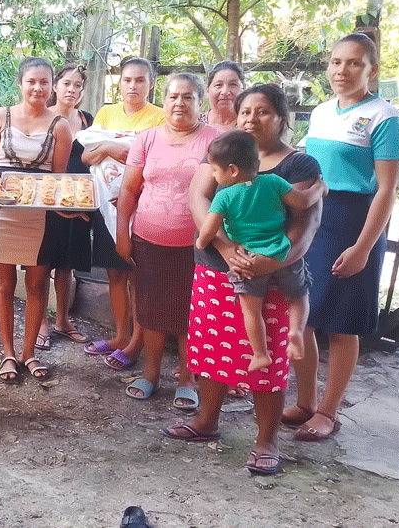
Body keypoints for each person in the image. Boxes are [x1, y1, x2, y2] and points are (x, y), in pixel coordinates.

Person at [163, 84, 323, 475]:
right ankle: (207, 421)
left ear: (283, 118)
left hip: (271, 277)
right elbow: (198, 198)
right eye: (246, 111)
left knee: (266, 361)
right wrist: (224, 246)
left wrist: (269, 263)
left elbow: (306, 222)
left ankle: (266, 441)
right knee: (212, 350)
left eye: (263, 111)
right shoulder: (226, 148)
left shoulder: (299, 165)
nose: (252, 119)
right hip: (215, 270)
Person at [286, 33, 399, 441]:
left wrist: (362, 247)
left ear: (372, 69)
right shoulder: (322, 112)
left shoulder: (385, 117)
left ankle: (328, 411)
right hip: (314, 220)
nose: (342, 70)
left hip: (354, 224)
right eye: (336, 61)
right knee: (302, 316)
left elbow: (387, 189)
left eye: (354, 62)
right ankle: (305, 401)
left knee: (341, 323)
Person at [115, 73, 217, 407]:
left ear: (200, 102)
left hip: (198, 245)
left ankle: (188, 378)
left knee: (192, 313)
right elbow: (128, 189)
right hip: (148, 239)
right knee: (150, 310)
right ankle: (151, 374)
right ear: (164, 101)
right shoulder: (146, 139)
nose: (179, 103)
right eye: (173, 97)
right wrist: (122, 234)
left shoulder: (216, 141)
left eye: (188, 97)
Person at [195, 130, 325, 371]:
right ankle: (296, 333)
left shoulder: (224, 197)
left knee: (252, 310)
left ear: (232, 170)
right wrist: (320, 188)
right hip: (282, 251)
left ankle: (260, 354)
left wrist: (201, 243)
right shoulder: (273, 182)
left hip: (249, 260)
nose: (213, 174)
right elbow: (304, 201)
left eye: (214, 170)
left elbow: (208, 231)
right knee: (298, 296)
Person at [0, 57, 72, 383]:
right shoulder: (1, 116)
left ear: (51, 86)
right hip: (2, 211)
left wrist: (69, 207)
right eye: (31, 81)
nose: (37, 88)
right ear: (20, 84)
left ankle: (28, 353)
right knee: (4, 285)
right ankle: (8, 353)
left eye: (44, 82)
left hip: (40, 217)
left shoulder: (60, 126)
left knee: (37, 285)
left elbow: (58, 179)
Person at [82, 57, 165, 368]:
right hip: (108, 205)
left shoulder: (160, 117)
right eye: (127, 79)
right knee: (115, 272)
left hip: (143, 206)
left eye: (140, 80)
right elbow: (88, 155)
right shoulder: (106, 113)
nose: (133, 86)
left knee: (139, 276)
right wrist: (107, 148)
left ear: (151, 84)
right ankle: (120, 335)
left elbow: (159, 161)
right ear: (119, 82)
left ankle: (136, 343)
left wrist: (135, 193)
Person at [36, 64, 92, 350]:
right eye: (67, 83)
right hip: (48, 197)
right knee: (43, 262)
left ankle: (63, 320)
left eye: (77, 85)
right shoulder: (44, 117)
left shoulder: (88, 120)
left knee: (67, 263)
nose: (72, 89)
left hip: (79, 198)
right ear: (56, 86)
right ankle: (41, 323)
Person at [199, 60, 245, 131]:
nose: (225, 92)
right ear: (207, 90)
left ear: (243, 89)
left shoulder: (249, 124)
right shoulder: (194, 124)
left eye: (233, 84)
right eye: (218, 85)